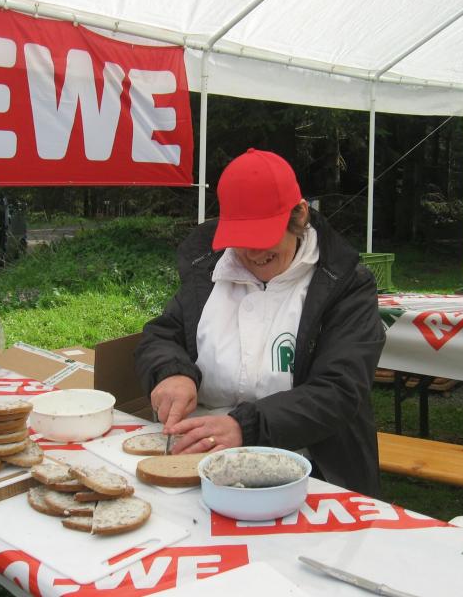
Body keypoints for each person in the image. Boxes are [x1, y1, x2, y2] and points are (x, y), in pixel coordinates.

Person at [134, 148, 385, 497]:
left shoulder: (344, 285)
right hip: (197, 459)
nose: (253, 253)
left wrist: (246, 427)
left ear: (299, 215)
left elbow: (339, 390)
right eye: (241, 239)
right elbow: (162, 334)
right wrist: (172, 372)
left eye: (264, 236)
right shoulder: (208, 272)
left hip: (310, 469)